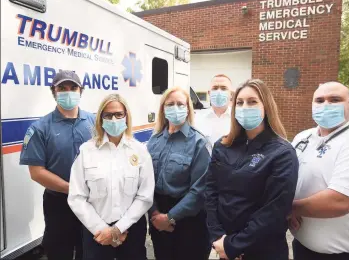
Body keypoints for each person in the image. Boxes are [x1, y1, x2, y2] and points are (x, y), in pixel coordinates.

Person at [205, 79, 299, 260]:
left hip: (263, 249)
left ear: (266, 106)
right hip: (223, 246)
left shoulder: (282, 152)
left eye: (252, 101)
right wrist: (218, 238)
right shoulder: (223, 145)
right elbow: (210, 192)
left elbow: (274, 209)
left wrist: (235, 245)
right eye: (239, 102)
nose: (244, 107)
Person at [67, 93, 155, 260]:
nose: (114, 119)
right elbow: (77, 197)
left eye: (118, 114)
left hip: (131, 230)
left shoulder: (140, 151)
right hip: (96, 233)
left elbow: (145, 196)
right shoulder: (87, 151)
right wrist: (102, 229)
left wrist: (118, 229)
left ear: (126, 117)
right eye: (108, 115)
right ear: (100, 119)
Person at [19, 70, 95, 260]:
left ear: (81, 91)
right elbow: (36, 172)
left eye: (73, 87)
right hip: (59, 204)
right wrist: (72, 189)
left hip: (92, 201)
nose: (68, 92)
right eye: (62, 88)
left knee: (90, 251)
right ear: (53, 91)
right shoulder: (40, 128)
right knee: (59, 253)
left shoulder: (95, 122)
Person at [290, 82, 349, 260]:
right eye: (319, 100)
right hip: (302, 247)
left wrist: (288, 208)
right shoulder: (303, 137)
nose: (325, 105)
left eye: (335, 100)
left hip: (344, 254)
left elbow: (340, 201)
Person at [146, 86, 211, 260]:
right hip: (158, 216)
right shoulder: (154, 141)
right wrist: (154, 214)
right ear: (163, 109)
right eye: (170, 104)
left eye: (180, 104)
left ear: (188, 108)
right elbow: (145, 183)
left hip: (188, 221)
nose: (175, 108)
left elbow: (199, 191)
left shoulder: (199, 142)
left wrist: (169, 218)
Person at [194, 74, 233, 145]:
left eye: (224, 88)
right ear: (209, 93)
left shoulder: (237, 119)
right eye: (215, 88)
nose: (219, 92)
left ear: (231, 94)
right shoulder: (197, 119)